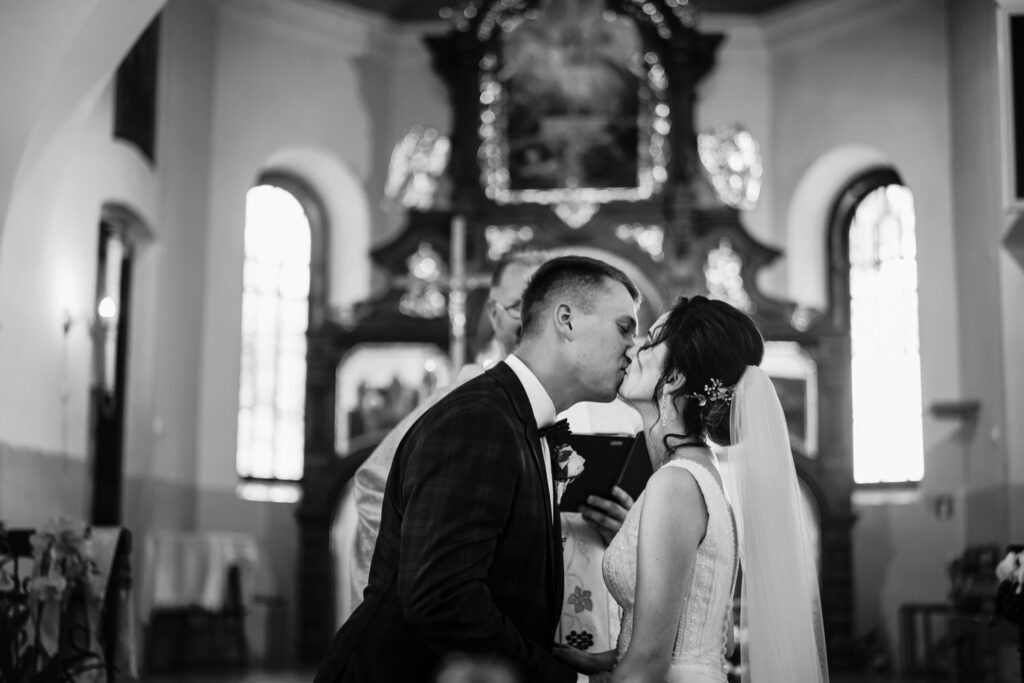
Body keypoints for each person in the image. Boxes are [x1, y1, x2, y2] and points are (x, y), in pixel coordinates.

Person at [313, 256, 641, 683]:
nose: (632, 348)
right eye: (624, 328)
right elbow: (442, 600)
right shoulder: (478, 421)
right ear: (567, 320)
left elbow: (497, 591)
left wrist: (556, 657)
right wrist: (564, 681)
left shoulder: (519, 420)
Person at [555, 295, 828, 683]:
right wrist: (602, 660)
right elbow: (716, 639)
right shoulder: (701, 473)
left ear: (675, 378)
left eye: (650, 341)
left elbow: (650, 663)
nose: (633, 348)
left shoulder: (675, 483)